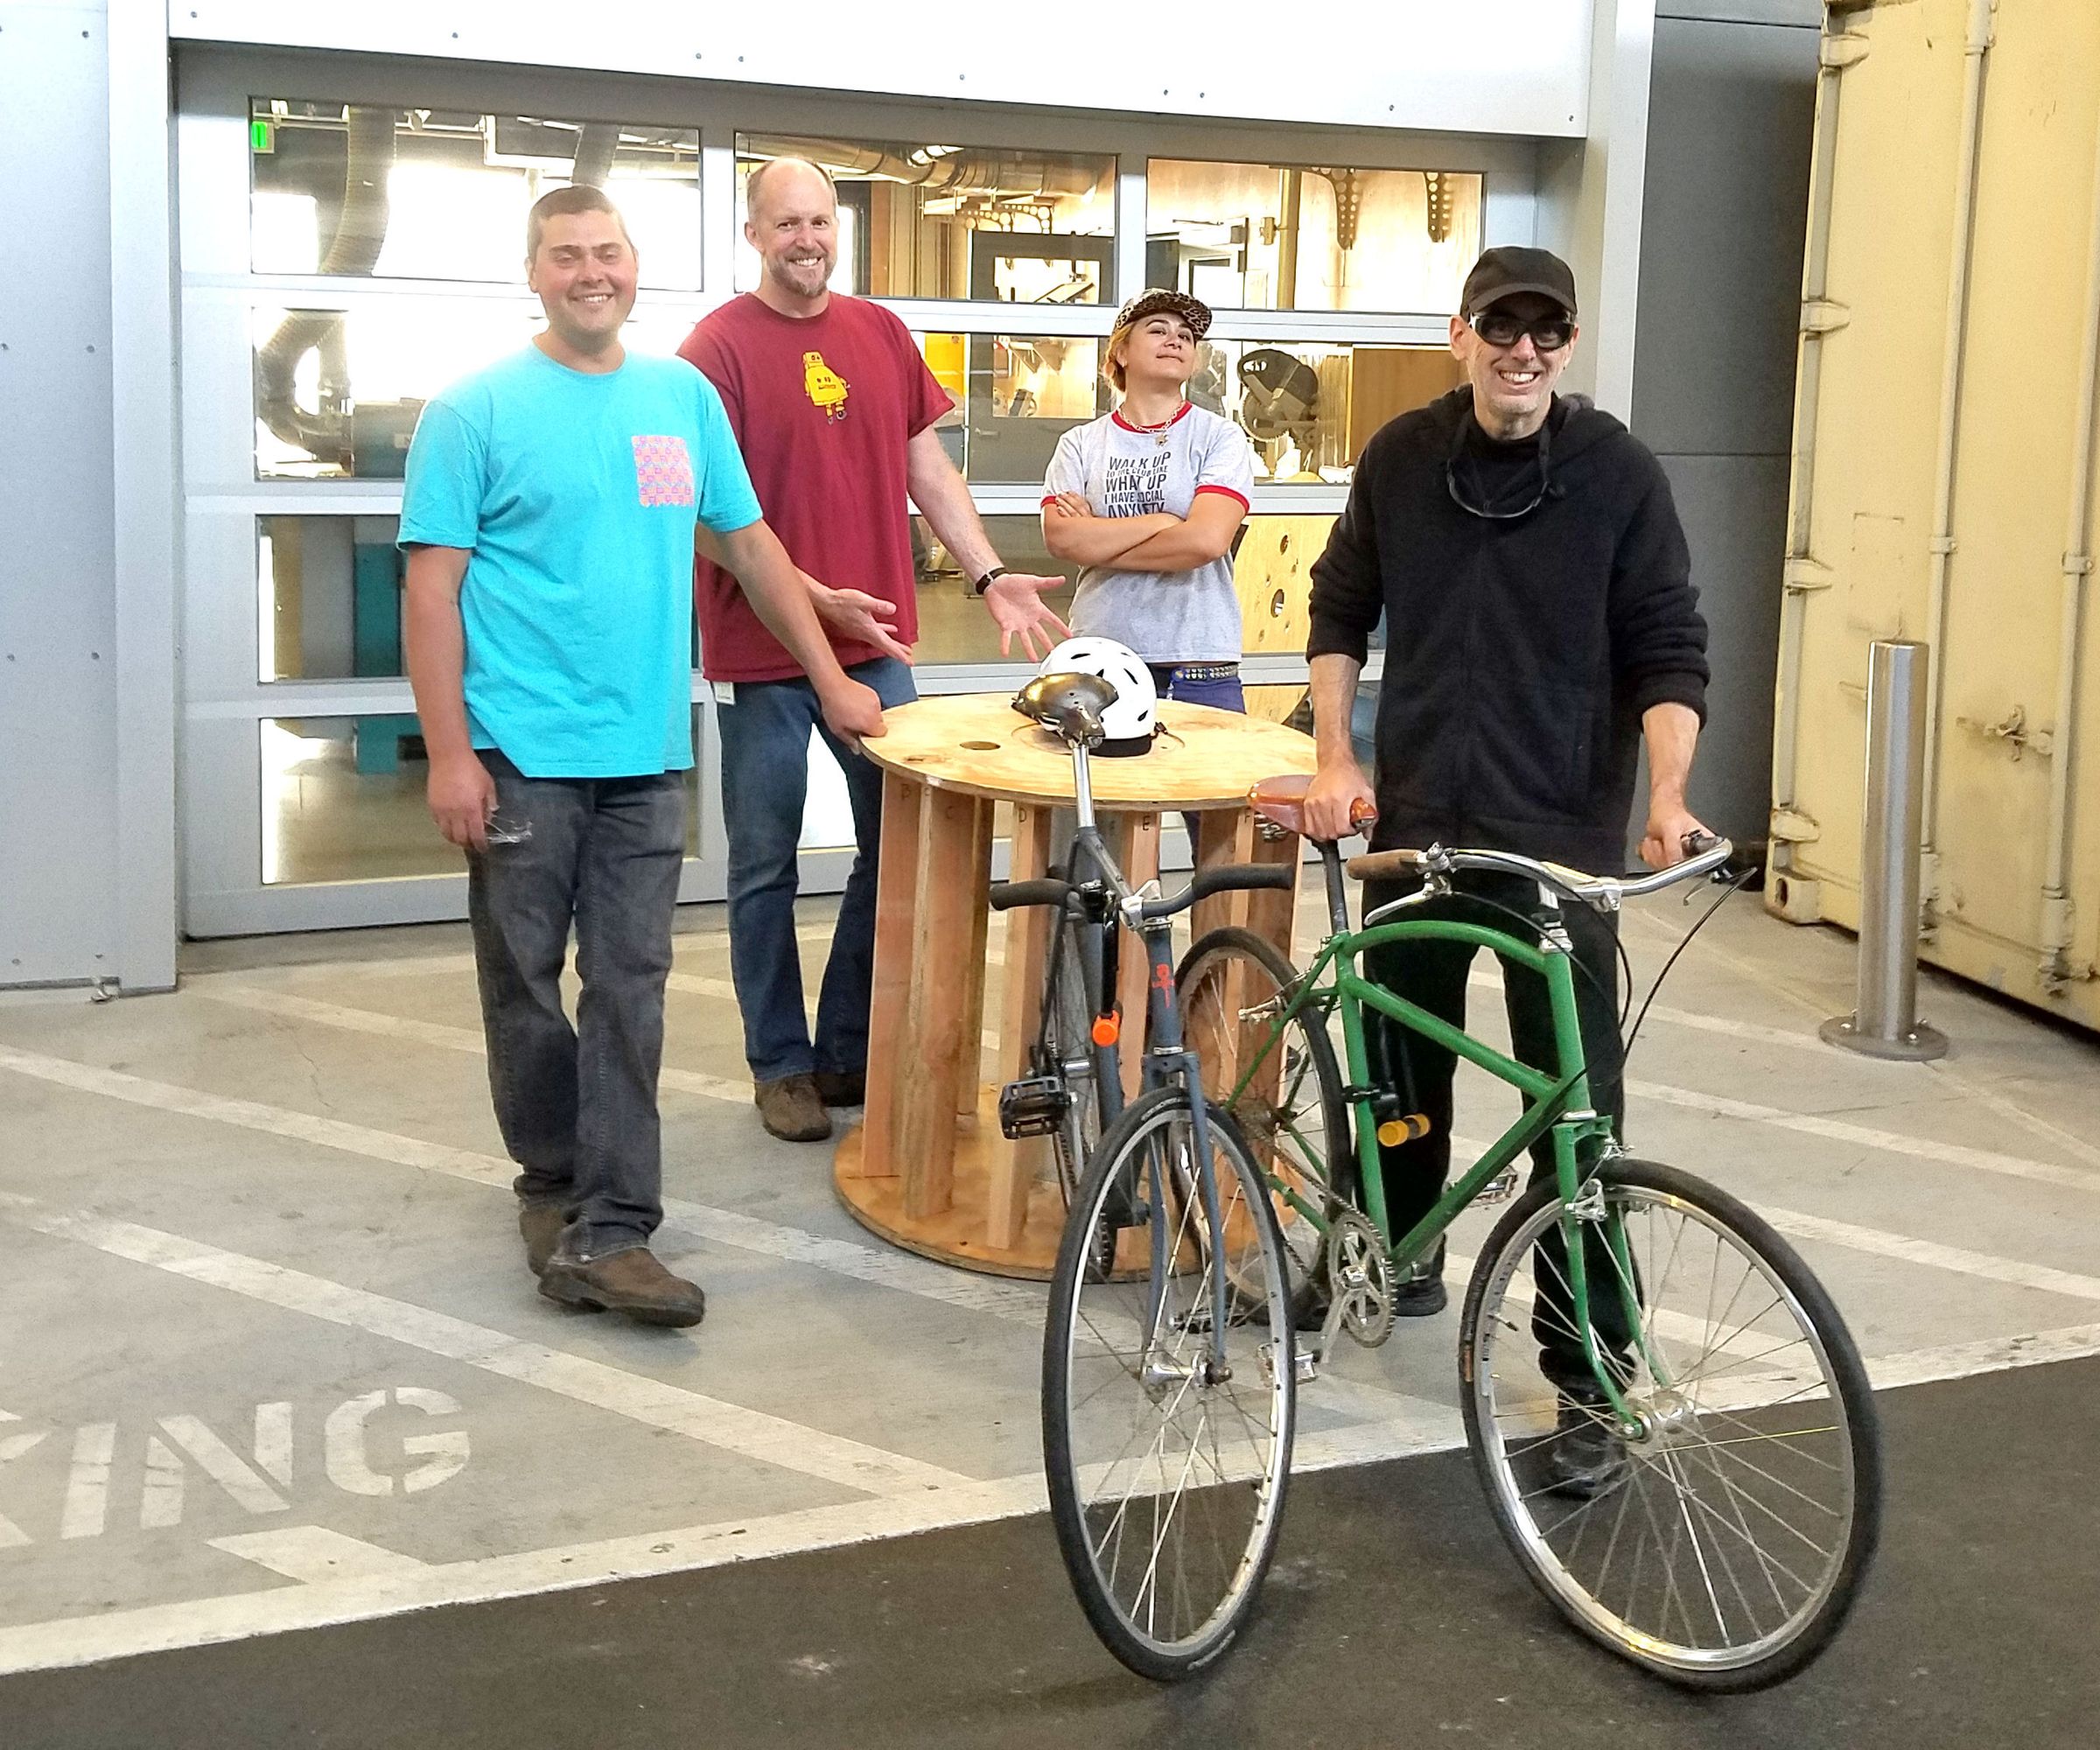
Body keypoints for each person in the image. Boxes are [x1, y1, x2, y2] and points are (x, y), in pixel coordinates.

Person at [400, 185, 884, 1326]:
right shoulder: (471, 411)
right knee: (525, 986)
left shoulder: (679, 398)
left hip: (645, 755)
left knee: (631, 989)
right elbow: (432, 593)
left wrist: (830, 677)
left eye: (607, 252)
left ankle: (614, 1226)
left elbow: (751, 547)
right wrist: (450, 754)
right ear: (534, 273)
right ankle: (552, 1181)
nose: (591, 272)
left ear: (634, 266)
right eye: (566, 254)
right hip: (519, 752)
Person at [1300, 245, 1712, 1492]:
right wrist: (1334, 755)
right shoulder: (1401, 458)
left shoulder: (1618, 473)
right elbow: (1340, 605)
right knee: (1396, 1060)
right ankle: (1395, 1244)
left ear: (1569, 344)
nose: (1521, 349)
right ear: (1461, 333)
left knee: (1578, 1116)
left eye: (1545, 329)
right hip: (1420, 817)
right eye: (1499, 325)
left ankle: (1589, 1375)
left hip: (1561, 839)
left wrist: (1669, 797)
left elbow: (1668, 643)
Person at [678, 156, 1070, 1144]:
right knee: (763, 865)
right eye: (787, 223)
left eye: (820, 221)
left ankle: (845, 1047)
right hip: (760, 648)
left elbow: (923, 465)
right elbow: (699, 517)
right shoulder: (713, 350)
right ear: (753, 234)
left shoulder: (881, 333)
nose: (807, 239)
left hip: (879, 641)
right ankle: (780, 1064)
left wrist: (986, 572)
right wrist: (811, 598)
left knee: (895, 846)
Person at [1039, 288, 1255, 717]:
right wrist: (1166, 521)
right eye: (1157, 330)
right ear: (1120, 353)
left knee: (1214, 765)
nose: (1175, 340)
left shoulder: (1220, 437)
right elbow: (1062, 539)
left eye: (1186, 336)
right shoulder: (1080, 444)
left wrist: (1097, 541)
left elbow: (1206, 542)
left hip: (1197, 661)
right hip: (1098, 657)